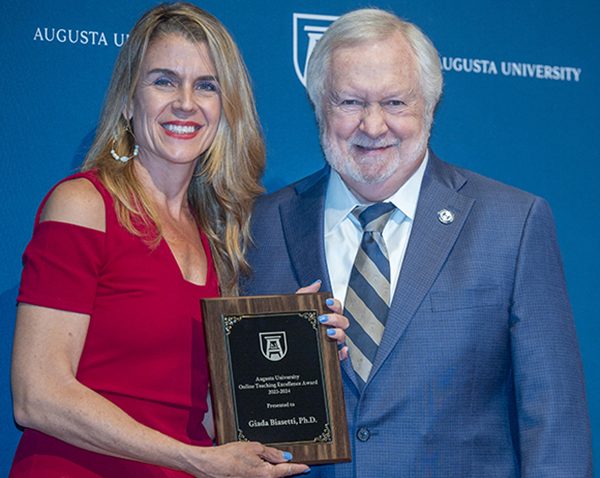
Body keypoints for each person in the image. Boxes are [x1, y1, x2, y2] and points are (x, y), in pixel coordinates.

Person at [241, 8, 592, 477]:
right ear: (319, 106)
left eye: (395, 103)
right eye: (349, 102)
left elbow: (555, 422)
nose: (372, 125)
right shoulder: (259, 225)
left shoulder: (513, 224)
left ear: (429, 105)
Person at [10, 3, 347, 477]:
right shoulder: (85, 205)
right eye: (163, 81)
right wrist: (195, 459)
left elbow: (209, 417)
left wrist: (299, 344)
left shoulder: (218, 238)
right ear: (129, 100)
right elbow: (37, 395)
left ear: (225, 108)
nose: (185, 102)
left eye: (206, 85)